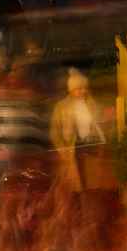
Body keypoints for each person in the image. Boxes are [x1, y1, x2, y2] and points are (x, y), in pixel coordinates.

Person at [49, 68, 107, 196]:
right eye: (79, 88)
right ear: (71, 89)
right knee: (74, 186)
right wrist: (62, 150)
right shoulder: (62, 107)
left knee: (92, 184)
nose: (83, 91)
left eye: (84, 88)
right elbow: (54, 132)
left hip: (91, 149)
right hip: (71, 151)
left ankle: (90, 199)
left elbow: (101, 124)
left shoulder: (93, 104)